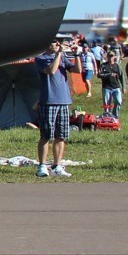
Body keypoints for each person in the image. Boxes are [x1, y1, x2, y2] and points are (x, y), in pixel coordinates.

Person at [34, 38, 77, 177]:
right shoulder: (41, 59)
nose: (57, 45)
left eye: (58, 43)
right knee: (46, 135)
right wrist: (59, 54)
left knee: (61, 136)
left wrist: (77, 55)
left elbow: (77, 70)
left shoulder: (63, 57)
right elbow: (51, 71)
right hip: (49, 101)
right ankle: (42, 166)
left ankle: (57, 165)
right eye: (54, 42)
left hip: (64, 101)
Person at [97, 48, 124, 119]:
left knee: (118, 102)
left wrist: (123, 87)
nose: (110, 57)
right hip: (106, 87)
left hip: (116, 87)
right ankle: (107, 117)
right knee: (107, 104)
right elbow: (99, 75)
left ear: (114, 57)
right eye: (109, 56)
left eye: (112, 56)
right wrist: (109, 74)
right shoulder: (103, 65)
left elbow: (122, 77)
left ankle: (115, 115)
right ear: (107, 57)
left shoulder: (117, 66)